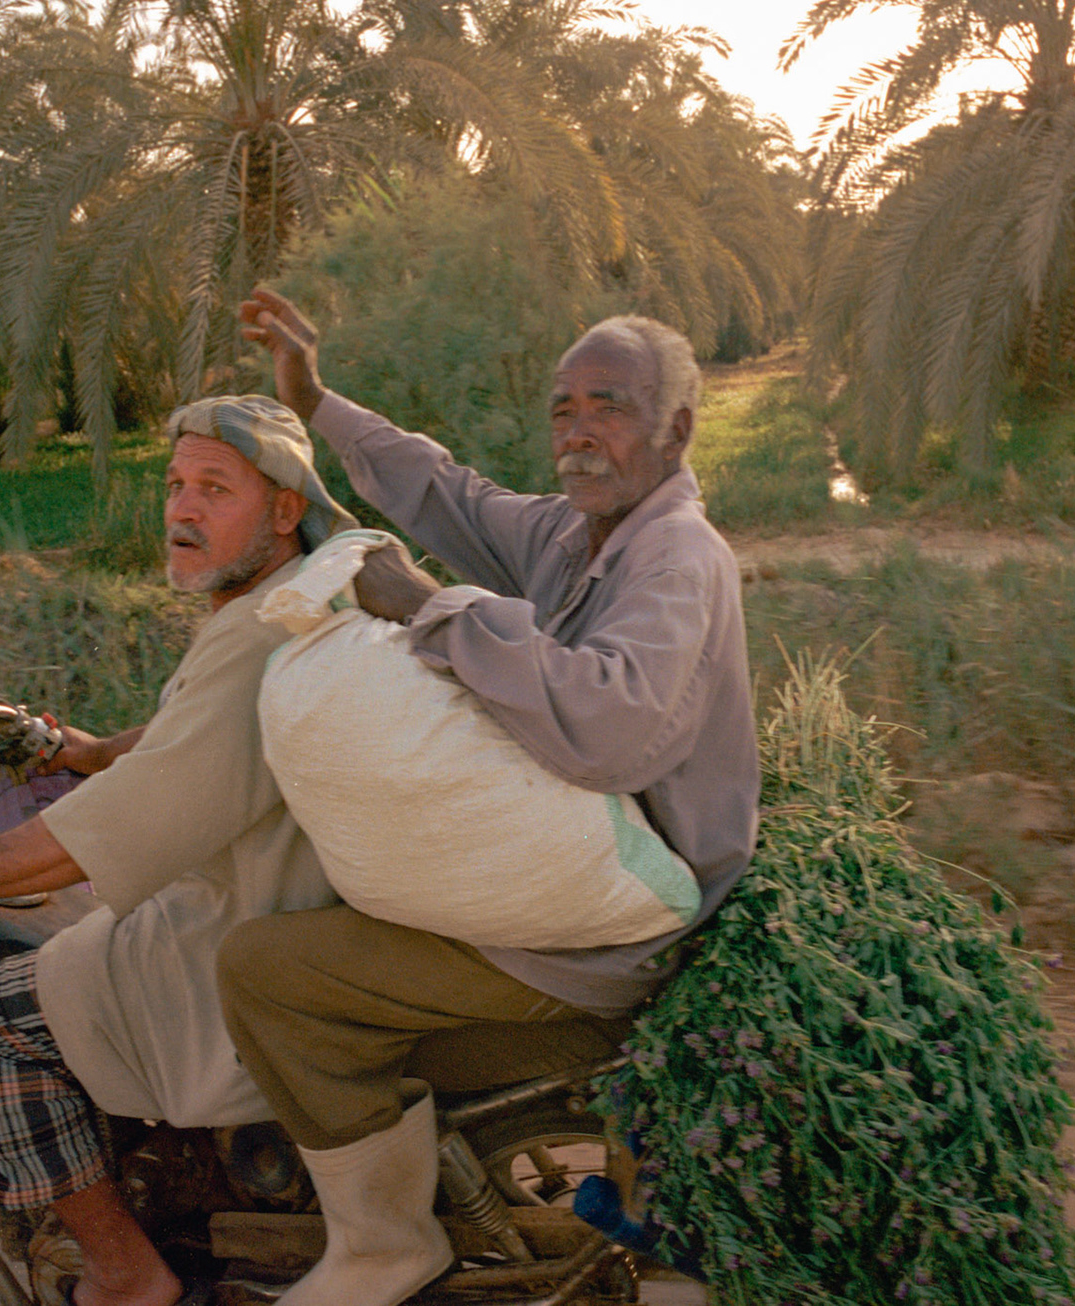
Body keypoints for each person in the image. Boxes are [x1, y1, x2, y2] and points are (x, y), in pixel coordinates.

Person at [219, 289, 761, 1306]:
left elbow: (606, 727)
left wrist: (433, 608)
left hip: (611, 935)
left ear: (677, 429)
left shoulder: (677, 558)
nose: (579, 431)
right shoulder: (572, 532)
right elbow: (449, 495)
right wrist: (317, 401)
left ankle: (382, 1242)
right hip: (562, 886)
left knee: (265, 970)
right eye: (563, 408)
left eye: (609, 406)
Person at [0, 396, 357, 1306]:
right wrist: (97, 753)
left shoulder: (258, 637)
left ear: (286, 509)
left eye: (215, 488)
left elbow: (121, 828)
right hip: (278, 912)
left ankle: (125, 1274)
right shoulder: (292, 602)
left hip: (232, 939)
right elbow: (195, 738)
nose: (182, 509)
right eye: (174, 485)